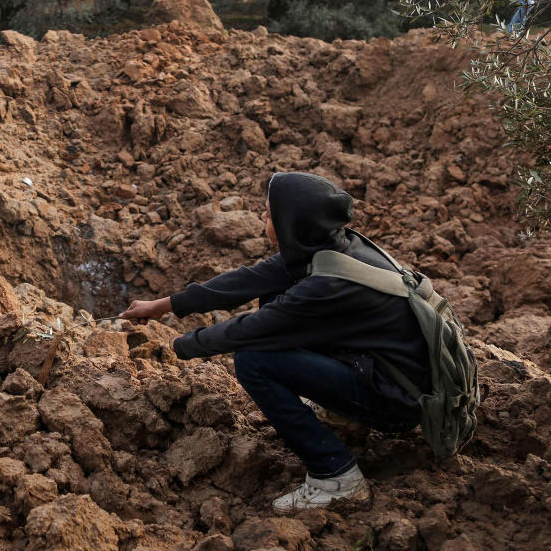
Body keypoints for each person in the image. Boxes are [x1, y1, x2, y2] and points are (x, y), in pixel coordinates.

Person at [120, 172, 430, 514]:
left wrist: (178, 347)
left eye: (269, 213)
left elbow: (251, 330)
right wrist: (161, 306)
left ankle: (337, 475)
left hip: (401, 402)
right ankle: (345, 411)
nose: (262, 218)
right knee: (271, 298)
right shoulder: (329, 247)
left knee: (254, 360)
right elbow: (242, 281)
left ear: (291, 221)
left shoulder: (327, 284)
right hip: (393, 375)